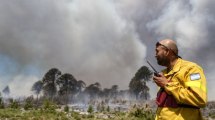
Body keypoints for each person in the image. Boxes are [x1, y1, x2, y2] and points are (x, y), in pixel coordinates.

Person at [153, 39, 207, 120]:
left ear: (167, 51)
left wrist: (167, 84)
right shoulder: (164, 74)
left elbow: (199, 99)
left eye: (157, 51)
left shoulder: (192, 69)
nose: (155, 55)